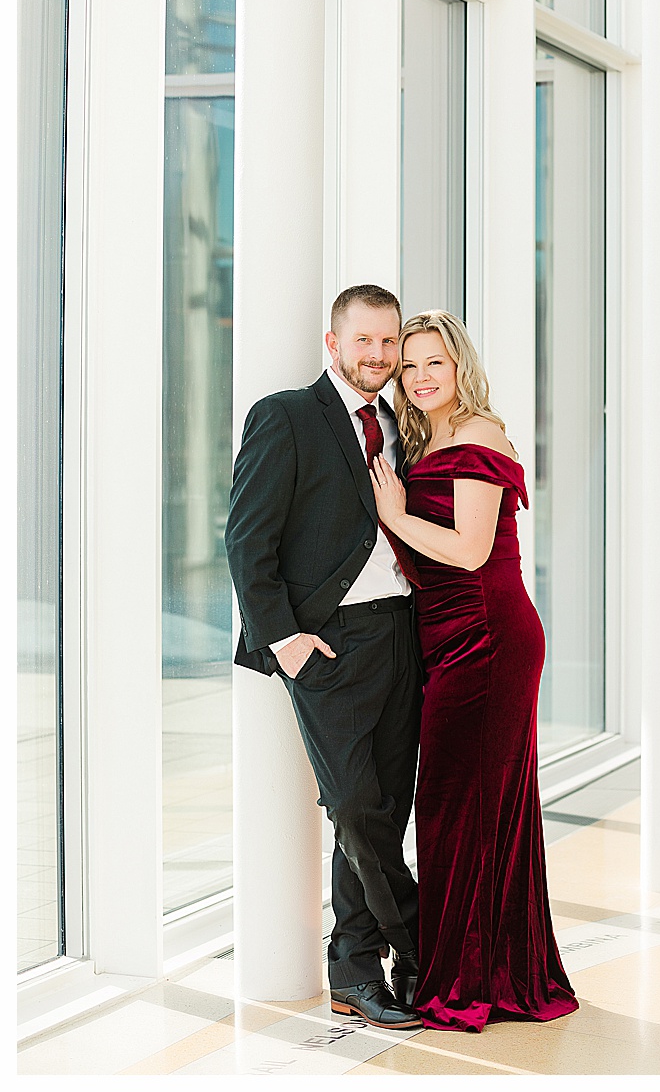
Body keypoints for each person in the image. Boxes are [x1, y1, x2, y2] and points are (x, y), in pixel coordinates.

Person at [367, 309, 577, 1032]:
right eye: (411, 366)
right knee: (475, 809)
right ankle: (494, 972)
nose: (422, 378)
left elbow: (468, 551)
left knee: (459, 809)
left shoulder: (480, 433)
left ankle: (464, 983)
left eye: (435, 363)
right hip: (449, 638)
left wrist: (394, 512)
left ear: (461, 367)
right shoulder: (428, 439)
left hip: (488, 638)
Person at [225, 283, 425, 1030]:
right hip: (329, 645)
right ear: (333, 344)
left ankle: (354, 966)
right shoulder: (286, 416)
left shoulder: (407, 420)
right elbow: (248, 540)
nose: (378, 356)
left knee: (386, 808)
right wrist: (288, 644)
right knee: (353, 805)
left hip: (405, 635)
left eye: (388, 342)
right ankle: (414, 946)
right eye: (364, 341)